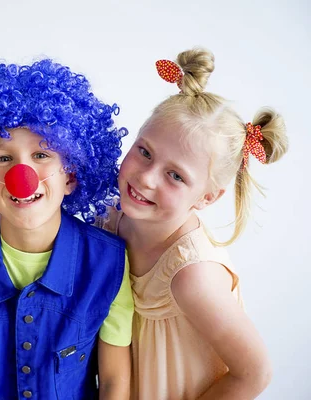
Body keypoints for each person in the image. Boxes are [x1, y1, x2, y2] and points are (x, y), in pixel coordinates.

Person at [0, 59, 134, 399]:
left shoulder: (109, 264)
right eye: (3, 159)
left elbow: (114, 382)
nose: (22, 176)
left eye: (40, 155)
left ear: (71, 176)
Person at [97, 48, 288, 399]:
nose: (147, 178)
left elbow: (255, 373)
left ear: (206, 198)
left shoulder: (191, 275)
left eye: (175, 175)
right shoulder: (109, 221)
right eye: (145, 151)